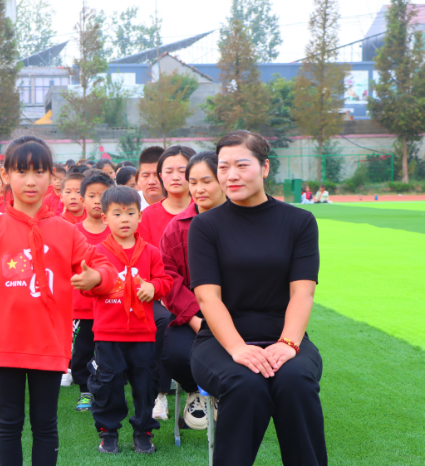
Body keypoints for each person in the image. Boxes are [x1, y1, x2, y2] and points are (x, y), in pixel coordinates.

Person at [0, 136, 118, 466]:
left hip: (48, 343)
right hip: (3, 342)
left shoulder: (66, 231)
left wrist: (96, 278)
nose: (31, 180)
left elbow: (105, 269)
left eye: (39, 172)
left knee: (45, 425)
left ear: (51, 178)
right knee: (8, 424)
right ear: (6, 175)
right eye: (22, 172)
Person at [188, 130, 325, 466]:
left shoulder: (300, 222)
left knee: (296, 383)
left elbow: (302, 292)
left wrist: (288, 344)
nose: (231, 175)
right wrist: (238, 348)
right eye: (223, 167)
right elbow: (208, 299)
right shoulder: (205, 227)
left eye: (242, 165)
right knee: (245, 385)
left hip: (285, 338)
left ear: (265, 168)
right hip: (220, 342)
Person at [87, 185, 172, 454]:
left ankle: (143, 431)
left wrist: (154, 288)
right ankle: (108, 432)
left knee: (146, 384)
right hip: (108, 333)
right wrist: (96, 283)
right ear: (105, 218)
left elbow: (165, 280)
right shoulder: (96, 252)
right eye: (117, 214)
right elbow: (88, 286)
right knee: (108, 384)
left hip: (142, 333)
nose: (124, 219)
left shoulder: (151, 252)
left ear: (140, 217)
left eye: (130, 213)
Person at [159, 151, 225, 430]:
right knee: (174, 352)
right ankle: (195, 391)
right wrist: (197, 319)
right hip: (191, 314)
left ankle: (226, 394)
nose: (198, 189)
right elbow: (168, 278)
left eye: (206, 181)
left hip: (236, 311)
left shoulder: (244, 222)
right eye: (193, 182)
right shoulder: (177, 227)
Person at [138, 145, 195, 420]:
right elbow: (143, 261)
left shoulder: (205, 209)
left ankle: (198, 389)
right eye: (168, 171)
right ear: (160, 175)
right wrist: (159, 290)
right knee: (162, 321)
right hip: (159, 293)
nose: (175, 177)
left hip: (197, 293)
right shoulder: (148, 216)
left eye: (182, 171)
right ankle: (159, 394)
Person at [69, 172, 115, 411]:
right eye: (92, 195)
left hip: (111, 305)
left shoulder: (117, 229)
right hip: (81, 308)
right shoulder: (71, 231)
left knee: (108, 351)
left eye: (103, 195)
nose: (97, 200)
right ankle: (85, 392)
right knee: (83, 352)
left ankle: (108, 390)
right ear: (82, 199)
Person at [136, 146, 165, 211]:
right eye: (145, 176)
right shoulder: (129, 202)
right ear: (138, 178)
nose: (151, 182)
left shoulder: (178, 202)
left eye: (157, 175)